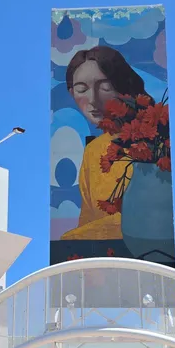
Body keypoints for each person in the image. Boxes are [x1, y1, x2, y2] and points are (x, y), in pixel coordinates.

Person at [60, 46, 150, 242]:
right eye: (81, 89)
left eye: (105, 87)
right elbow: (87, 220)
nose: (93, 100)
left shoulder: (152, 137)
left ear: (123, 86)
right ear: (72, 93)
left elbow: (148, 216)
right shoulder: (93, 151)